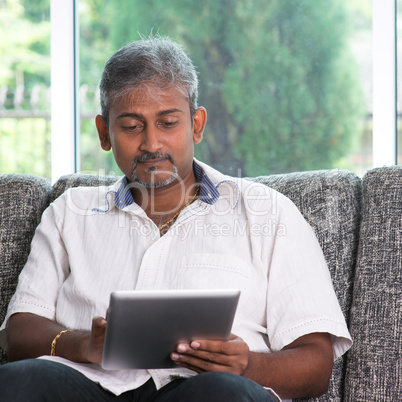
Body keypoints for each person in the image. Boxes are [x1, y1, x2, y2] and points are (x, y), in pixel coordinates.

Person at [0, 36, 351, 402]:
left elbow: (316, 363)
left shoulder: (269, 213)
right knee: (18, 381)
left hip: (206, 391)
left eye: (168, 123)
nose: (152, 144)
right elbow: (20, 329)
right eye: (132, 127)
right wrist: (83, 344)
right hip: (90, 386)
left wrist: (247, 366)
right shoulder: (69, 212)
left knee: (224, 392)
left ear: (196, 125)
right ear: (105, 133)